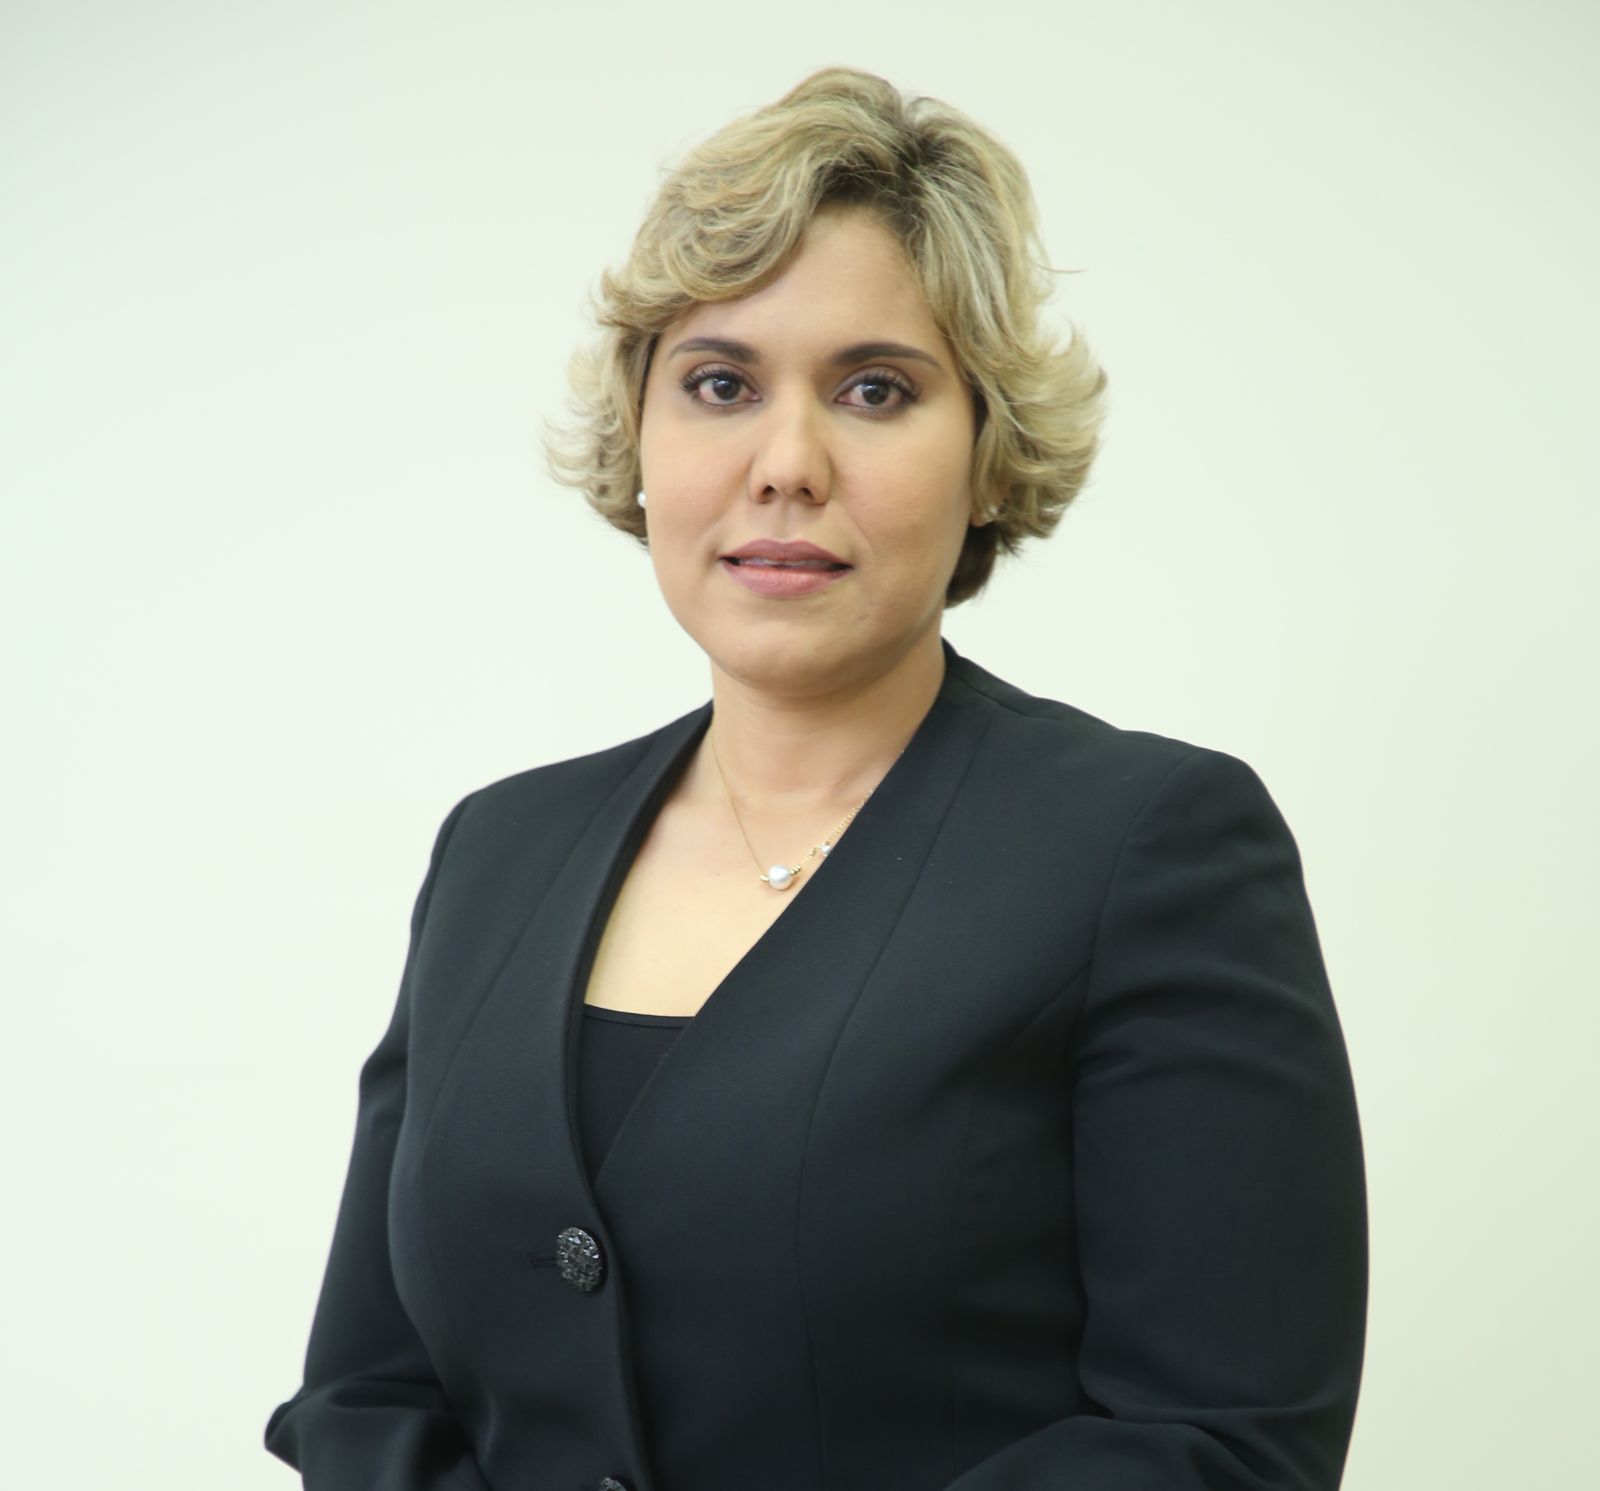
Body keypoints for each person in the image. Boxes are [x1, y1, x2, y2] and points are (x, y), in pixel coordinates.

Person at [263, 66, 1367, 1491]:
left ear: (988, 455)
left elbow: (1220, 1445)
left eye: (875, 390)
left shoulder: (1147, 847)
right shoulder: (498, 851)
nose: (787, 464)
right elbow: (365, 1394)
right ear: (642, 438)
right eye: (720, 385)